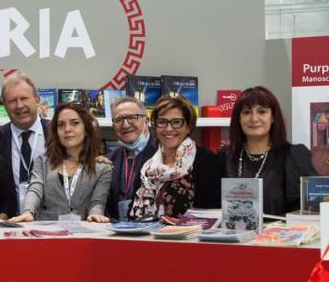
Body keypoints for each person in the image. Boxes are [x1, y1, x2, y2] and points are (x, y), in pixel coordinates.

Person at [218, 86, 317, 215]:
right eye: (246, 112)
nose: (254, 119)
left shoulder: (294, 156)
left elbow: (309, 209)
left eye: (262, 111)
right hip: (234, 233)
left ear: (273, 117)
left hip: (280, 234)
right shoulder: (225, 157)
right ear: (239, 119)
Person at [10, 102, 112, 223]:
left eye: (75, 123)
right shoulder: (43, 161)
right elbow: (35, 189)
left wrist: (96, 214)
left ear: (86, 129)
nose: (67, 129)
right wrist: (28, 211)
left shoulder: (102, 168)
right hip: (45, 235)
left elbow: (98, 202)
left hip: (82, 235)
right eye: (61, 125)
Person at [130, 95, 220, 220]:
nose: (169, 128)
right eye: (162, 122)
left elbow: (213, 211)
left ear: (188, 126)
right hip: (147, 236)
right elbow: (132, 210)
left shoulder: (205, 159)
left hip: (189, 237)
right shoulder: (146, 163)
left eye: (177, 122)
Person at [0, 73, 49, 213]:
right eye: (12, 101)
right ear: (5, 105)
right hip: (9, 221)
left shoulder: (57, 134)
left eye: (24, 98)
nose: (19, 106)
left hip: (50, 222)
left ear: (37, 100)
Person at [105, 96, 156, 221]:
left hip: (153, 233)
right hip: (118, 233)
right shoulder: (108, 160)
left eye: (132, 118)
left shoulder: (163, 155)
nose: (125, 124)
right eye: (119, 120)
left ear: (147, 121)